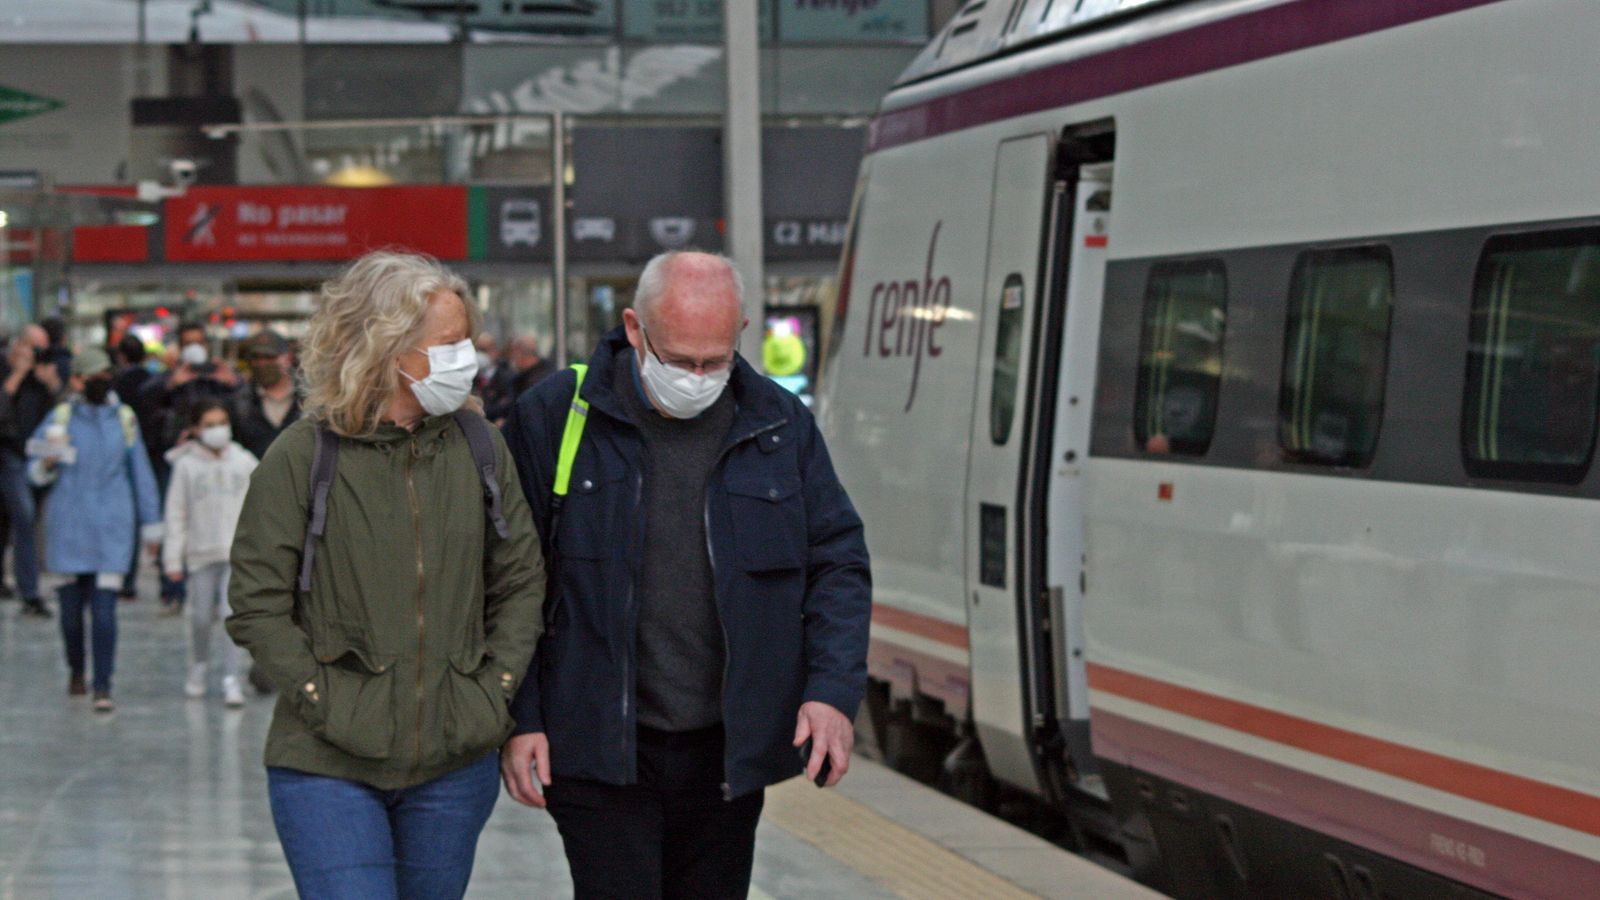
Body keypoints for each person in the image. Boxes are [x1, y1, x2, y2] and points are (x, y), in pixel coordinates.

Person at [500, 250, 871, 899]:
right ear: (635, 329)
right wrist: (522, 716)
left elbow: (837, 560)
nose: (698, 378)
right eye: (679, 361)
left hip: (724, 755)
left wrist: (832, 690)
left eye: (715, 360)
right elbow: (509, 579)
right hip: (597, 745)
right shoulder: (558, 416)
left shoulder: (779, 425)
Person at [227, 250, 546, 900]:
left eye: (468, 341)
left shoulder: (482, 450)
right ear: (385, 347)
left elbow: (520, 582)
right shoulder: (301, 457)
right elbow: (255, 604)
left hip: (455, 761)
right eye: (449, 344)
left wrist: (494, 690)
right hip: (327, 761)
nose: (468, 358)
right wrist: (323, 699)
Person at [27, 348, 162, 712]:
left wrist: (151, 525)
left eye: (106, 373)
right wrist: (47, 464)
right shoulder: (61, 417)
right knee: (70, 617)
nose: (101, 381)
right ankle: (76, 670)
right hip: (68, 527)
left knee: (104, 614)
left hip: (111, 529)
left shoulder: (125, 419)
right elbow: (34, 468)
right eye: (93, 375)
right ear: (77, 380)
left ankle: (103, 685)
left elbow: (141, 473)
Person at [141, 321, 238, 612]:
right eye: (188, 342)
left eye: (199, 341)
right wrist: (171, 382)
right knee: (173, 518)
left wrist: (231, 381)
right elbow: (144, 401)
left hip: (214, 460)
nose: (194, 347)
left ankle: (219, 590)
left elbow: (239, 408)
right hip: (174, 457)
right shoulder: (169, 378)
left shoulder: (216, 377)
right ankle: (172, 588)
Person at [164, 398, 256, 706]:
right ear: (196, 429)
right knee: (201, 616)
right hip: (201, 553)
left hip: (236, 554)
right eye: (210, 424)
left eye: (222, 423)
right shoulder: (186, 466)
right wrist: (172, 558)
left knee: (233, 616)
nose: (218, 430)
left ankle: (232, 678)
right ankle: (199, 664)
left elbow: (262, 506)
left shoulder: (244, 462)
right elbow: (176, 513)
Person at [0, 323, 62, 618]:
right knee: (21, 518)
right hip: (8, 453)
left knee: (22, 519)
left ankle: (23, 587)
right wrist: (18, 373)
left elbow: (54, 416)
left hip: (32, 456)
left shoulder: (40, 376)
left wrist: (51, 385)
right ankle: (29, 592)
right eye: (32, 347)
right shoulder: (7, 370)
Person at [113, 334, 155, 601]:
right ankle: (127, 579)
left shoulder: (117, 384)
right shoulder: (152, 380)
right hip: (151, 450)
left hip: (125, 451)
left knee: (126, 515)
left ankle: (124, 576)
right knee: (141, 512)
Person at [229, 329, 302, 459]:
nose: (262, 363)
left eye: (269, 357)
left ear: (288, 358)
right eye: (256, 358)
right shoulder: (238, 401)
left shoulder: (309, 398)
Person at [485, 334, 554, 424]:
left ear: (519, 353)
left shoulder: (538, 382)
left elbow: (524, 412)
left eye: (512, 353)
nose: (511, 358)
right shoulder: (521, 377)